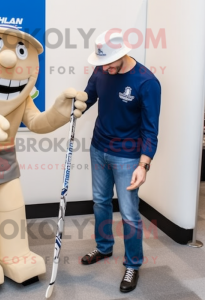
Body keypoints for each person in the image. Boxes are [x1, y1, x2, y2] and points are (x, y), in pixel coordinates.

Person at [81, 30, 161, 293]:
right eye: (102, 63)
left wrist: (143, 165)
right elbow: (88, 98)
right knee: (100, 202)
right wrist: (69, 108)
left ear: (123, 53)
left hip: (128, 156)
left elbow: (150, 130)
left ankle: (133, 264)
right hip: (98, 148)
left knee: (129, 214)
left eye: (110, 63)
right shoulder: (102, 70)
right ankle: (104, 247)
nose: (105, 68)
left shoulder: (146, 82)